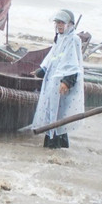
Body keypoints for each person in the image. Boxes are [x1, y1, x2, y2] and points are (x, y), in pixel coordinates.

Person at [32, 9, 84, 150]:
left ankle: (57, 145)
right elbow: (53, 57)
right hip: (52, 82)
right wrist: (42, 70)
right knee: (51, 111)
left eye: (62, 23)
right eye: (57, 23)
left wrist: (67, 82)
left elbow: (73, 64)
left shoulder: (73, 39)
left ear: (70, 24)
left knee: (59, 114)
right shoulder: (60, 37)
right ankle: (50, 144)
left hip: (62, 83)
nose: (59, 26)